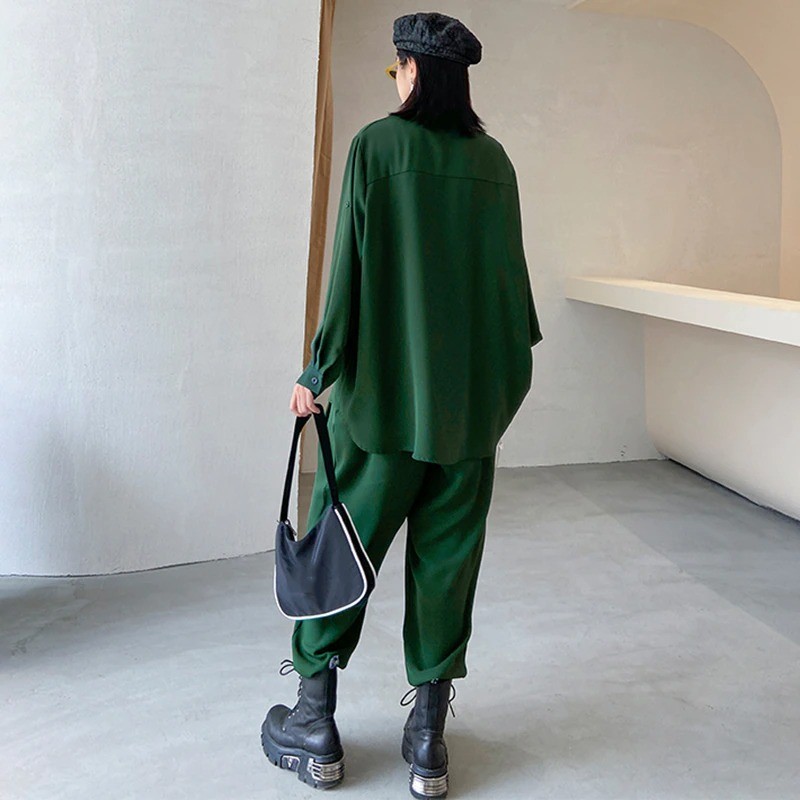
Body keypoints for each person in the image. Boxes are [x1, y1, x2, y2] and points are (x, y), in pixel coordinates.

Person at [261, 11, 543, 798]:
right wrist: (496, 394)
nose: (397, 80)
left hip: (382, 410)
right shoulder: (494, 162)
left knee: (339, 550)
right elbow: (512, 296)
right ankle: (427, 746)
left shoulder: (376, 148)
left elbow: (348, 271)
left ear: (414, 72)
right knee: (448, 568)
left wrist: (318, 370)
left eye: (398, 69)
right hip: (467, 416)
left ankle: (314, 725)